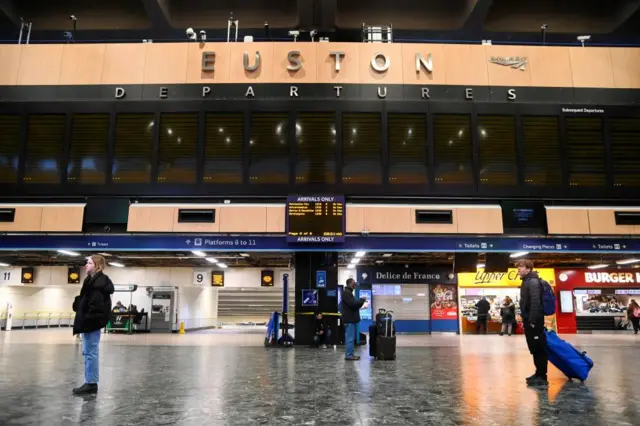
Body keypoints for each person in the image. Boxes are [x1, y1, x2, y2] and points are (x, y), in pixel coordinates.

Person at [72, 254, 115, 395]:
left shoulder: (97, 284)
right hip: (89, 322)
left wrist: (86, 320)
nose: (86, 265)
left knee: (91, 353)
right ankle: (90, 381)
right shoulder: (91, 281)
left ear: (97, 266)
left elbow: (95, 306)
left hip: (91, 323)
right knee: (88, 352)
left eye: (89, 263)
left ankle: (91, 383)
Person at [517, 259, 548, 387]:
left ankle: (542, 376)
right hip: (530, 319)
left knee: (539, 348)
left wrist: (533, 321)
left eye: (521, 267)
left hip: (535, 320)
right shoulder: (527, 281)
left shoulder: (533, 282)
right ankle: (538, 373)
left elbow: (535, 303)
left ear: (528, 268)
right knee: (534, 348)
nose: (518, 269)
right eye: (518, 267)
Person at [340, 278, 366, 361]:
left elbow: (355, 305)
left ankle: (350, 354)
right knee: (350, 339)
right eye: (354, 283)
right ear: (350, 283)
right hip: (349, 320)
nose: (355, 284)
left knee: (351, 338)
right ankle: (348, 355)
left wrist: (361, 302)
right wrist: (361, 300)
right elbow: (353, 304)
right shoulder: (346, 293)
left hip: (351, 320)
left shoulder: (349, 293)